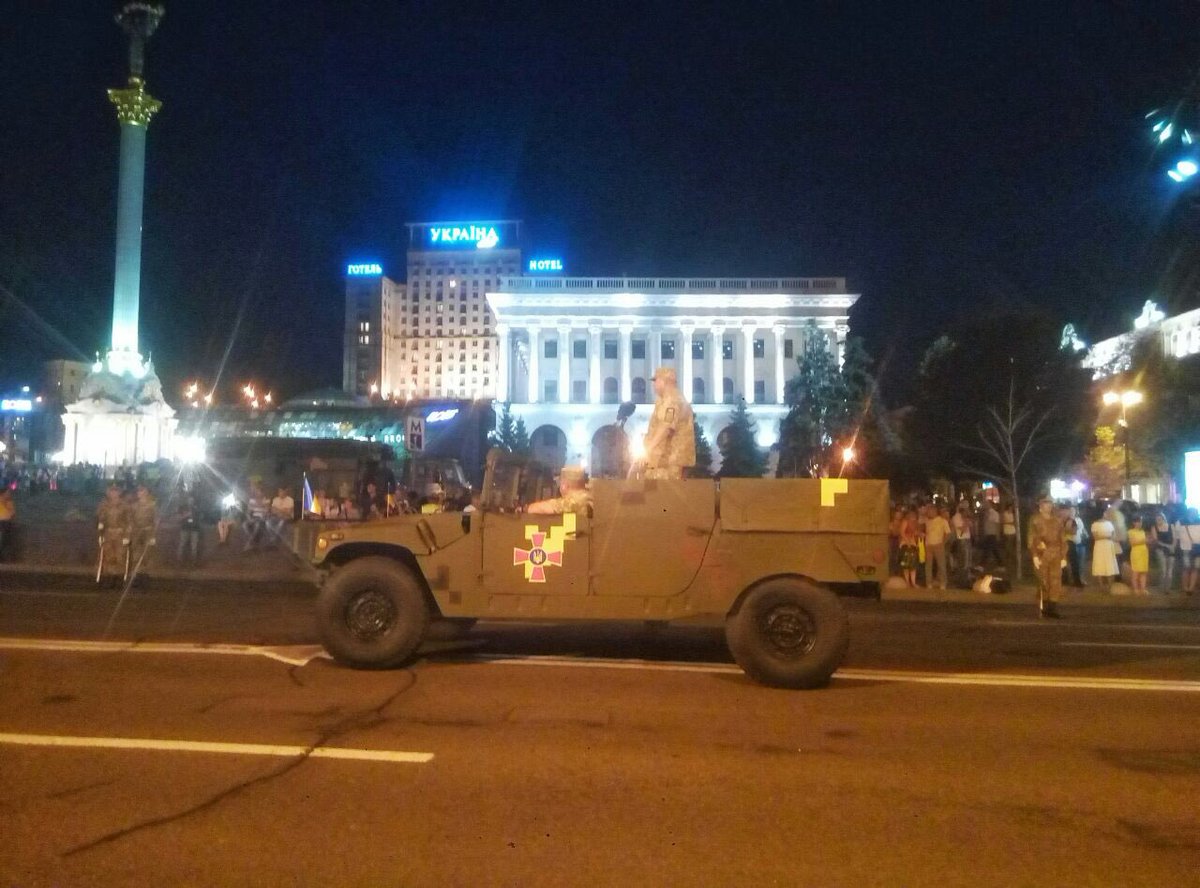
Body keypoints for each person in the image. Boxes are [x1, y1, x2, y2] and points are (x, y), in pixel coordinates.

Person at [639, 366, 696, 480]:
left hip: (669, 462)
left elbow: (666, 427)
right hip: (664, 461)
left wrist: (648, 449)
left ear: (663, 381)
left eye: (656, 381)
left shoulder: (672, 400)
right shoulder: (665, 400)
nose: (654, 385)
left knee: (663, 494)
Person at [1028, 496, 1066, 618]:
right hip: (1042, 553)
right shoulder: (1036, 520)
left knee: (1055, 580)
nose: (1049, 506)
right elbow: (1032, 538)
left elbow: (1062, 539)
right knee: (1043, 580)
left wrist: (1064, 556)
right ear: (1041, 506)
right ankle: (1044, 605)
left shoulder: (1057, 521)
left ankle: (1053, 606)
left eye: (1050, 504)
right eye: (1046, 504)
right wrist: (1034, 555)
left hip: (1056, 552)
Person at [96, 485, 130, 585]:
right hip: (108, 533)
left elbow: (128, 522)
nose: (113, 493)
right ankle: (109, 577)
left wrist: (127, 536)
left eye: (116, 491)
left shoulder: (125, 505)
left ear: (119, 493)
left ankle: (119, 577)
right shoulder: (104, 505)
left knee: (120, 556)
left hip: (120, 533)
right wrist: (100, 532)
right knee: (108, 556)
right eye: (111, 491)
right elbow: (100, 520)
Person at [526, 466, 592, 515]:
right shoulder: (590, 496)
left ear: (565, 485)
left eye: (560, 483)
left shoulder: (574, 500)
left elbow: (541, 508)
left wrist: (527, 508)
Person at [128, 484, 158, 575]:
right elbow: (130, 519)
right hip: (137, 532)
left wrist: (153, 535)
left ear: (147, 492)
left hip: (148, 531)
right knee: (136, 554)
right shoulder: (134, 505)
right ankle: (136, 574)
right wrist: (130, 531)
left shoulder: (152, 505)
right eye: (139, 491)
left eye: (142, 491)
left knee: (147, 554)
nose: (140, 493)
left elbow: (156, 520)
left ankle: (145, 574)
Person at [923, 504, 951, 590]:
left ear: (934, 511)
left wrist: (943, 543)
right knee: (928, 565)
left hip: (938, 544)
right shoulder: (927, 521)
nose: (928, 513)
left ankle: (943, 582)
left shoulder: (942, 521)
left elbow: (948, 533)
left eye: (930, 511)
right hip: (928, 545)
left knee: (941, 564)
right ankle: (929, 582)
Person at [1090, 509, 1119, 593]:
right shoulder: (1096, 524)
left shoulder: (1108, 524)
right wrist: (1107, 537)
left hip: (1105, 545)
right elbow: (1096, 537)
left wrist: (1104, 536)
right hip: (1102, 545)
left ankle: (1108, 586)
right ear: (1102, 514)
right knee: (1101, 564)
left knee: (1108, 564)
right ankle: (1103, 586)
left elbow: (1112, 535)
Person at [1149, 512, 1175, 593]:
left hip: (1170, 549)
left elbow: (1175, 538)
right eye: (1157, 520)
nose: (1158, 521)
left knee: (1170, 571)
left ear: (1164, 519)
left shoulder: (1171, 526)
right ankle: (1161, 588)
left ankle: (1167, 589)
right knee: (1163, 570)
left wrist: (1173, 546)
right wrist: (1167, 546)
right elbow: (1156, 540)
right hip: (1160, 549)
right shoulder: (1154, 528)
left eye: (1160, 519)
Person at [1063, 505, 1087, 588]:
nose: (1072, 512)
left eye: (1074, 510)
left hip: (1079, 542)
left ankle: (1080, 579)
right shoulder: (1067, 520)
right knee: (1072, 563)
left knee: (1080, 563)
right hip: (1070, 542)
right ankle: (1073, 580)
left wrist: (1085, 535)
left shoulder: (1078, 519)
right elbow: (1070, 531)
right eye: (1071, 510)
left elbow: (1081, 529)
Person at [176, 493, 203, 567]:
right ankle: (179, 562)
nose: (191, 501)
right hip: (185, 529)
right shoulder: (182, 507)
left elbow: (200, 518)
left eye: (192, 500)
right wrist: (186, 515)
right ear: (187, 500)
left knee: (194, 546)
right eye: (190, 499)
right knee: (182, 545)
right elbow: (178, 518)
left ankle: (193, 563)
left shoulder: (196, 508)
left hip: (194, 529)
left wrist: (196, 520)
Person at [898, 508, 920, 589]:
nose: (913, 517)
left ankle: (913, 583)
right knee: (906, 564)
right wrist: (907, 541)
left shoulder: (915, 523)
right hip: (905, 544)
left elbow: (915, 533)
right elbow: (902, 532)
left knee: (913, 565)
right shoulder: (905, 522)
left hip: (913, 544)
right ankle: (907, 582)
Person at [1127, 515, 1149, 596]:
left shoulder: (1142, 532)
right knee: (1136, 572)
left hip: (1144, 552)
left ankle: (1143, 589)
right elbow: (1132, 543)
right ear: (1134, 523)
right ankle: (1136, 589)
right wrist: (1143, 541)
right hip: (1136, 553)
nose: (1140, 523)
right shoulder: (1130, 532)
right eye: (1138, 522)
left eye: (1141, 522)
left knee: (1143, 571)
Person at [0, 488, 14, 562]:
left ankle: (3, 557)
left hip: (6, 522)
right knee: (3, 540)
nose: (9, 494)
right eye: (8, 492)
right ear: (3, 493)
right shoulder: (3, 500)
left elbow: (12, 512)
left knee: (5, 540)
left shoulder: (9, 501)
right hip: (2, 522)